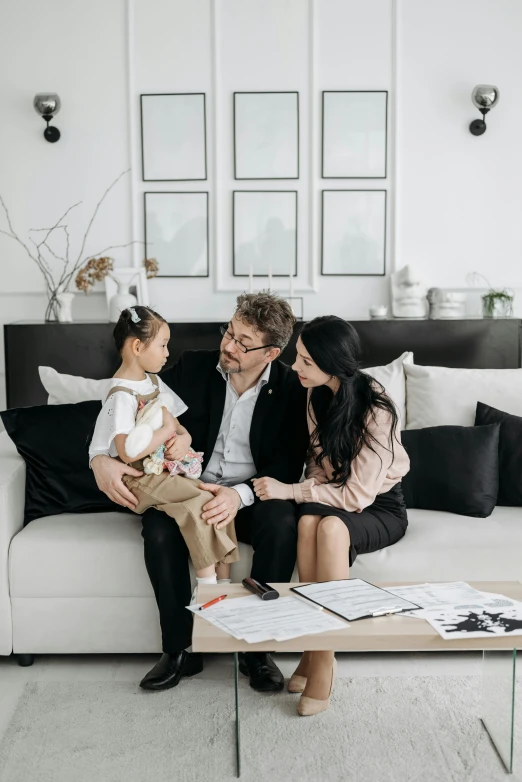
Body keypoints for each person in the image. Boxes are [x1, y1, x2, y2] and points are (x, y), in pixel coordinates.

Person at [91, 293, 309, 692]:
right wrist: (97, 458)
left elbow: (286, 463)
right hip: (186, 486)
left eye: (244, 342)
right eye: (230, 331)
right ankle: (179, 649)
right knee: (158, 529)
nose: (228, 345)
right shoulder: (193, 365)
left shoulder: (292, 388)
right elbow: (127, 404)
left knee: (281, 524)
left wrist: (237, 496)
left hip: (249, 494)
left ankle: (258, 650)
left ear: (272, 352)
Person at [252, 316, 410, 716]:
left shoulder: (376, 408)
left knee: (333, 528)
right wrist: (307, 490)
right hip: (335, 495)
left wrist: (289, 490)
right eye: (297, 358)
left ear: (332, 362)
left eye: (305, 360)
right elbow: (318, 468)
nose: (296, 368)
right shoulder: (315, 394)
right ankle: (314, 645)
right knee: (307, 522)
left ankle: (323, 658)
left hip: (380, 505)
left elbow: (357, 494)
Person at [89, 305, 238, 588]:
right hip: (138, 477)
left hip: (159, 470)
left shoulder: (154, 382)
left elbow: (179, 425)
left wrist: (183, 438)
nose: (168, 353)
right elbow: (127, 452)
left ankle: (224, 582)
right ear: (137, 346)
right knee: (206, 501)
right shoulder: (121, 395)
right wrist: (167, 431)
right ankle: (208, 588)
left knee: (214, 501)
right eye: (163, 345)